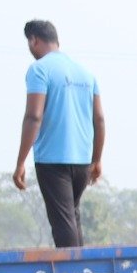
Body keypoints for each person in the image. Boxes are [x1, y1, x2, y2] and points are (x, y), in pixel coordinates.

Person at [13, 19, 104, 248]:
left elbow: (34, 116)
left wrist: (21, 162)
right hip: (82, 161)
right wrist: (97, 159)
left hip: (53, 160)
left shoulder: (39, 69)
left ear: (34, 40)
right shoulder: (85, 73)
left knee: (63, 224)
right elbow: (100, 120)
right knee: (72, 218)